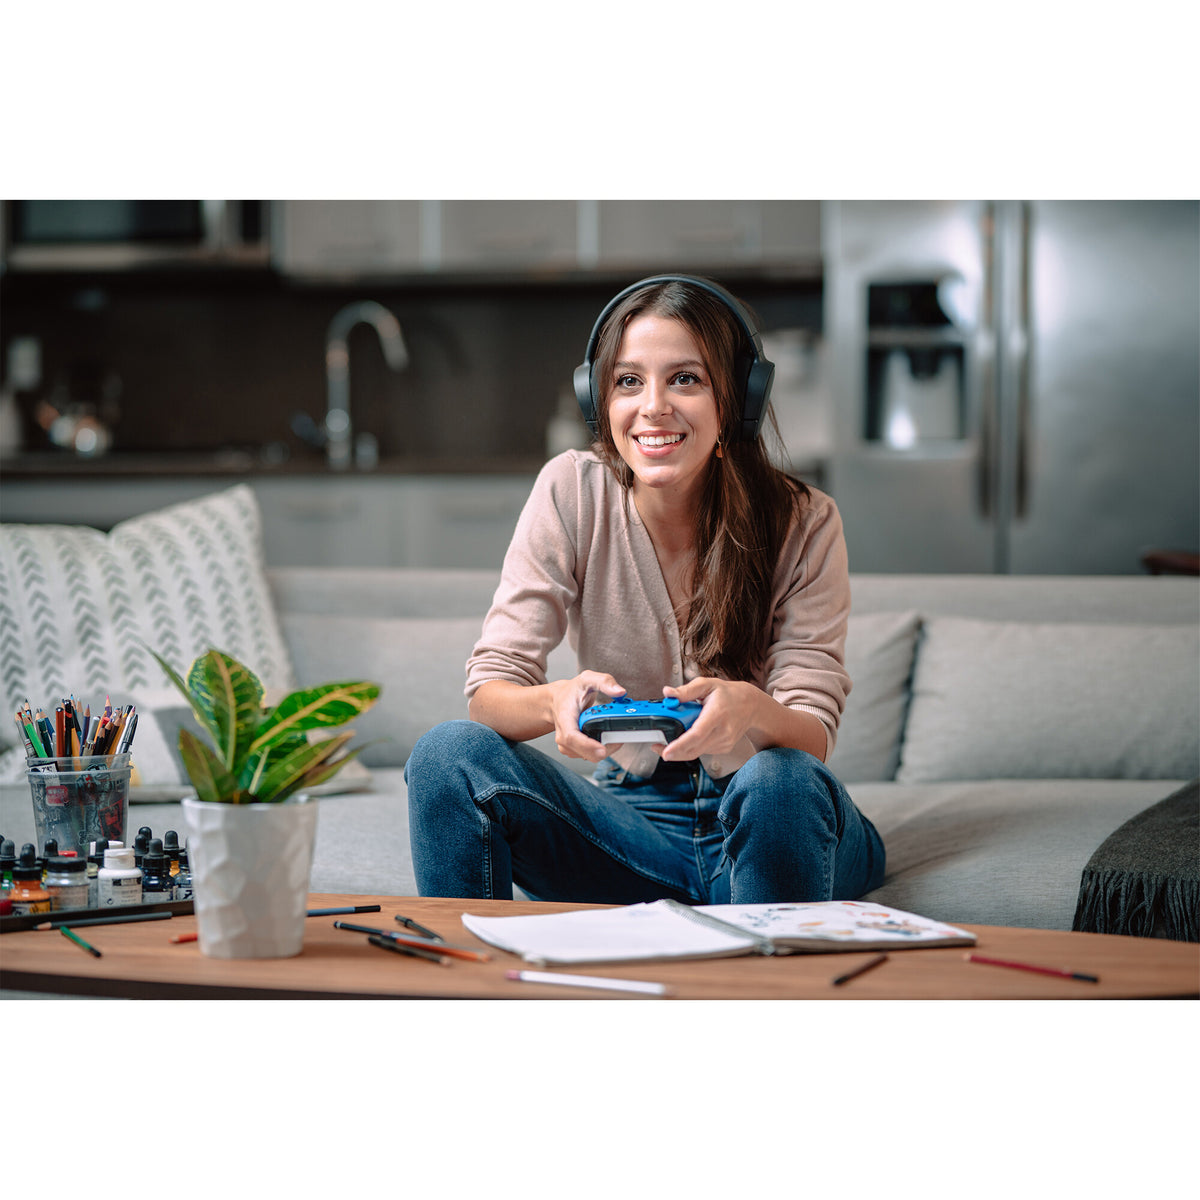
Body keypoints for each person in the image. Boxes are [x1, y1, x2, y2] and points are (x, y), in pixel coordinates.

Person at [405, 275, 885, 905]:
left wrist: (749, 710)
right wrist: (554, 703)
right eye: (629, 381)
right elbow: (490, 691)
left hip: (772, 815)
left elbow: (812, 731)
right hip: (631, 828)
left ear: (737, 400)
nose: (652, 406)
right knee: (448, 753)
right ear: (598, 399)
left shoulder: (805, 520)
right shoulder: (572, 492)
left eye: (685, 379)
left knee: (780, 781)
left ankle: (764, 991)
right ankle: (470, 990)